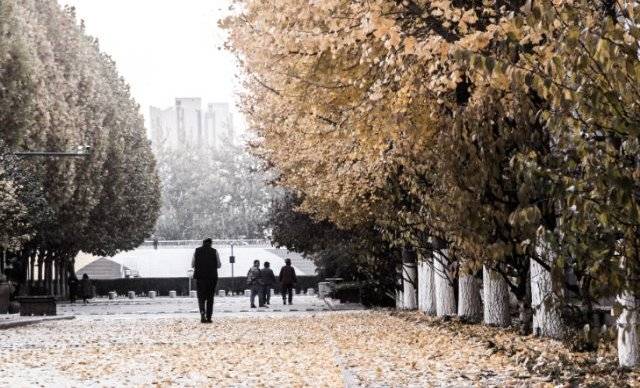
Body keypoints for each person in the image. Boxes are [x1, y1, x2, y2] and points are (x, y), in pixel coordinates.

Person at [191, 238, 221, 323]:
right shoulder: (214, 251)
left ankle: (202, 314)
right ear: (211, 244)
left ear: (203, 243)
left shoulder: (196, 251)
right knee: (210, 298)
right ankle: (209, 317)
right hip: (211, 278)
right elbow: (219, 265)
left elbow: (192, 264)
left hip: (200, 278)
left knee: (201, 297)